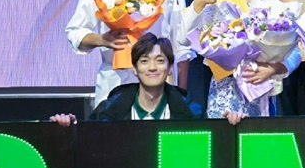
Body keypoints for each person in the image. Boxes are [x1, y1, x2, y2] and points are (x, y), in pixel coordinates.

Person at [202, 0, 299, 120]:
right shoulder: (219, 4)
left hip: (264, 87)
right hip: (227, 93)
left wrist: (273, 69)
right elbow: (208, 48)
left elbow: (296, 49)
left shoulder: (276, 3)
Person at [53, 35, 197, 123]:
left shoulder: (191, 112)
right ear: (134, 68)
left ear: (170, 68)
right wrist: (69, 128)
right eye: (144, 61)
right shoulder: (109, 110)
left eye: (159, 61)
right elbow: (88, 141)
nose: (152, 67)